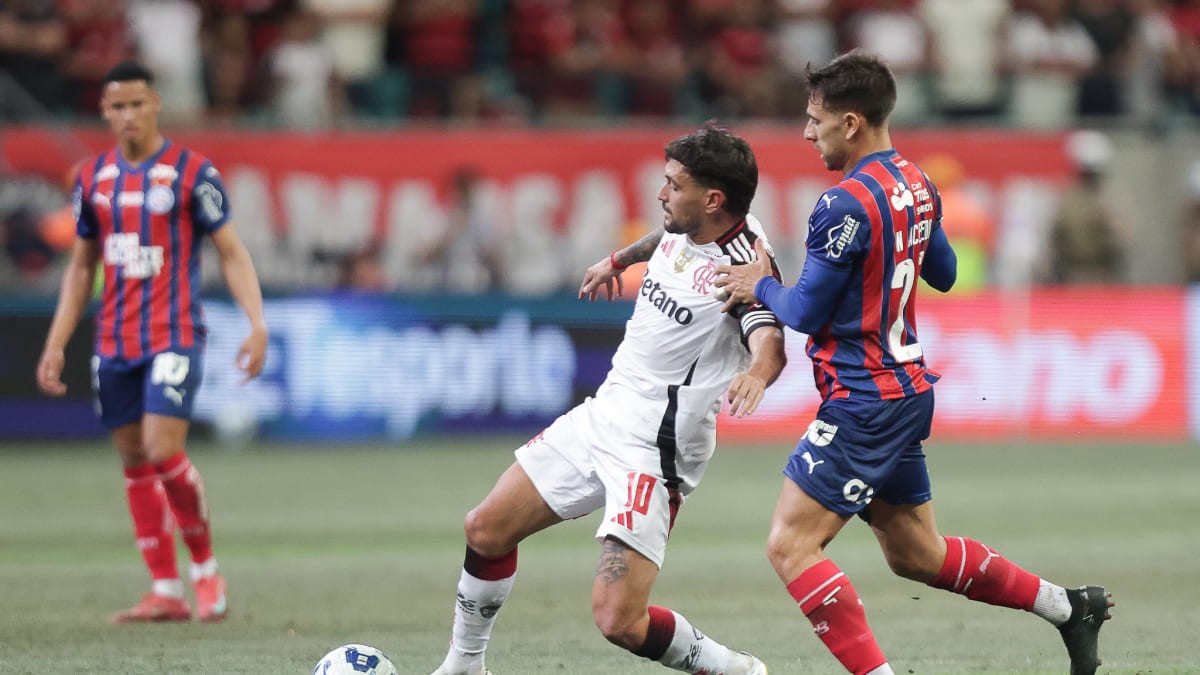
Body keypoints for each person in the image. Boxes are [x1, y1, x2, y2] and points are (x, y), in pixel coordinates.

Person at [713, 52, 1113, 675]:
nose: (806, 131)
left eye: (814, 119)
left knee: (791, 545)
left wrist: (760, 283)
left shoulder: (841, 204)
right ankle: (1069, 607)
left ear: (850, 123)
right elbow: (947, 274)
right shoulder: (918, 184)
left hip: (864, 398)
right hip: (902, 390)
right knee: (915, 554)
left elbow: (805, 312)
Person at [429, 125, 786, 675]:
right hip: (605, 414)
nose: (661, 194)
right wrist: (619, 259)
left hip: (655, 448)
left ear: (712, 199)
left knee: (620, 621)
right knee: (486, 528)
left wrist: (759, 373)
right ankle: (463, 667)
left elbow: (769, 337)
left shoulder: (740, 268)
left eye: (672, 184)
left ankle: (738, 670)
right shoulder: (691, 224)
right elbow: (666, 239)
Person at [35, 61, 268, 624]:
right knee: (134, 459)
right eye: (117, 106)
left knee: (163, 450)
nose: (128, 115)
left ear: (155, 104)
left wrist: (256, 323)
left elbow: (231, 251)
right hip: (114, 339)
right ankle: (165, 589)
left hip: (174, 334)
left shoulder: (192, 173)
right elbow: (81, 265)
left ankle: (206, 572)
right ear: (104, 112)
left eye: (137, 103)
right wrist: (56, 340)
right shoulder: (90, 179)